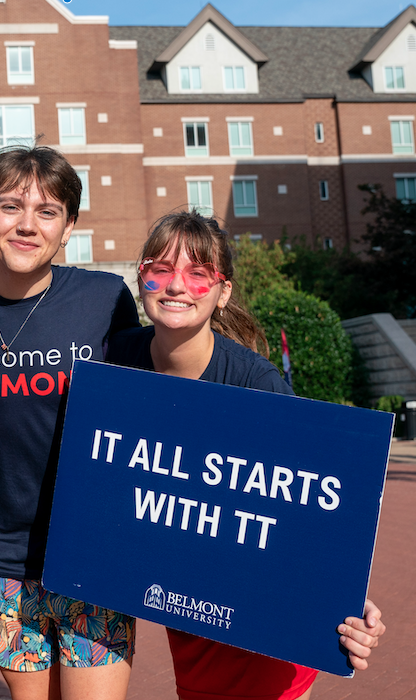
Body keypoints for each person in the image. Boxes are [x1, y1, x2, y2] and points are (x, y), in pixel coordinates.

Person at [106, 210, 386, 700]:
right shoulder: (116, 364)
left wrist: (345, 597)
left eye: (198, 273)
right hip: (189, 605)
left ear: (222, 292)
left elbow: (308, 504)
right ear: (142, 277)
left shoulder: (257, 387)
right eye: (161, 269)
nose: (176, 286)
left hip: (265, 626)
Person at [0, 145, 141, 700]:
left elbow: (152, 412)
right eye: (10, 206)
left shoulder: (104, 299)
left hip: (91, 556)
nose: (27, 225)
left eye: (47, 211)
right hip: (0, 561)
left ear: (69, 225)